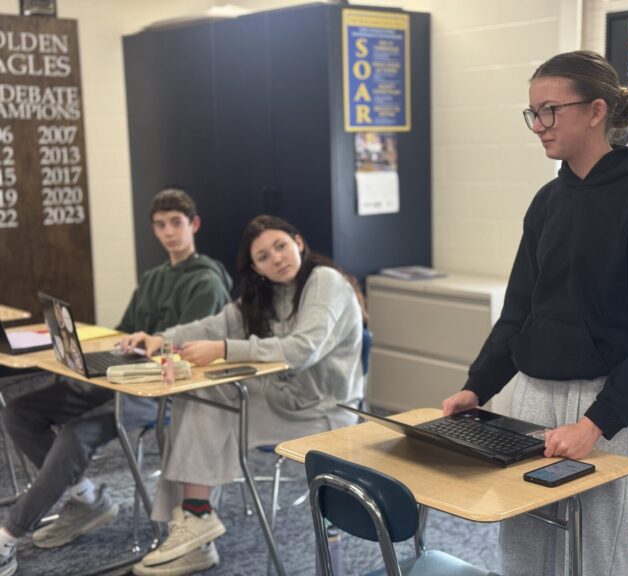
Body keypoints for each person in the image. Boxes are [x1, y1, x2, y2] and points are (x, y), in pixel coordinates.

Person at [441, 50, 628, 576]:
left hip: (603, 407)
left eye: (550, 111)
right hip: (529, 399)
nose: (538, 126)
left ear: (597, 111)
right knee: (525, 552)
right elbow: (518, 312)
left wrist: (595, 424)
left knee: (594, 558)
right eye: (533, 113)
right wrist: (477, 386)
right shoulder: (547, 201)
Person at [0, 189, 233, 576]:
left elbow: (191, 348)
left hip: (165, 390)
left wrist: (143, 348)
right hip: (123, 375)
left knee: (76, 434)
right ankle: (85, 497)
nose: (168, 233)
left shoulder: (206, 281)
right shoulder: (154, 277)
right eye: (160, 225)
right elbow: (124, 330)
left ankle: (8, 534)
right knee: (22, 411)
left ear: (193, 225)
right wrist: (111, 347)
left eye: (176, 223)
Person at [122, 215, 364, 576]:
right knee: (201, 395)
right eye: (264, 256)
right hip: (282, 398)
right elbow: (213, 324)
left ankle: (196, 523)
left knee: (211, 404)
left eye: (280, 246)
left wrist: (223, 349)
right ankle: (195, 522)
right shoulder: (264, 294)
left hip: (323, 413)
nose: (276, 258)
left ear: (298, 242)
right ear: (256, 267)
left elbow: (302, 350)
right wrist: (163, 339)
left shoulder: (325, 281)